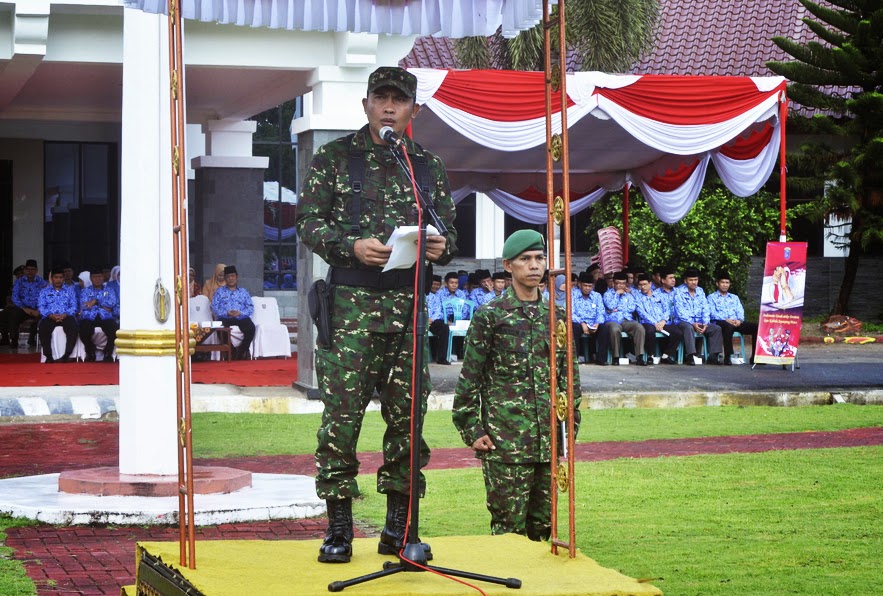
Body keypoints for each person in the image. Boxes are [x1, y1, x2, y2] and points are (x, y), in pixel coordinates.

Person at [294, 66, 458, 564]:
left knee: (409, 422)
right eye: (381, 98)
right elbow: (307, 221)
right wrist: (349, 246)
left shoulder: (425, 165)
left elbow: (448, 231)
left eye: (399, 100)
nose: (390, 107)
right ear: (366, 104)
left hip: (408, 309)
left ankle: (400, 529)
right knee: (340, 422)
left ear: (413, 110)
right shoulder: (335, 158)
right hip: (351, 312)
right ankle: (340, 529)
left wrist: (439, 246)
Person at [453, 229, 580, 541]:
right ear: (508, 266)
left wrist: (570, 425)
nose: (535, 265)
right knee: (508, 531)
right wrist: (472, 429)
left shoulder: (557, 314)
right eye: (526, 259)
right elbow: (470, 377)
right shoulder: (491, 316)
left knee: (543, 529)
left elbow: (569, 375)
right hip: (505, 443)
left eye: (539, 258)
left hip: (548, 440)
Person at [674, 268, 723, 364]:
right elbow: (680, 312)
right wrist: (693, 323)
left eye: (695, 280)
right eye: (691, 280)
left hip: (700, 322)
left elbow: (705, 308)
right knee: (688, 328)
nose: (693, 282)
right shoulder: (679, 292)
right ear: (685, 281)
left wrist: (705, 323)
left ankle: (713, 356)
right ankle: (690, 355)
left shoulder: (700, 291)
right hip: (684, 322)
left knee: (716, 328)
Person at [707, 272, 759, 365]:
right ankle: (728, 356)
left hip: (735, 322)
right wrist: (725, 319)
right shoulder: (711, 297)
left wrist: (739, 320)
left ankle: (755, 357)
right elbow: (711, 313)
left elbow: (740, 310)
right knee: (728, 327)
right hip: (720, 322)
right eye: (722, 282)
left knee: (756, 327)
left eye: (727, 283)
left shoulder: (734, 297)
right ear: (717, 283)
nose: (725, 285)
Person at [596, 271, 646, 365]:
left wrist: (617, 308)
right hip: (612, 320)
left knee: (639, 327)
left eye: (623, 283)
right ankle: (616, 357)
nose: (620, 286)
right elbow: (610, 305)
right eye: (618, 283)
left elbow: (632, 308)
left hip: (626, 319)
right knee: (615, 329)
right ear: (613, 283)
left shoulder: (629, 294)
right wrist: (616, 295)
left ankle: (639, 356)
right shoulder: (607, 294)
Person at [634, 273, 683, 364]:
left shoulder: (659, 295)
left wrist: (663, 321)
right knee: (649, 331)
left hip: (662, 322)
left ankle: (666, 355)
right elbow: (642, 313)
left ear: (650, 284)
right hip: (648, 322)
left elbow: (667, 309)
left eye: (645, 284)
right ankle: (650, 356)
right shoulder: (637, 297)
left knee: (677, 332)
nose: (643, 287)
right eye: (640, 285)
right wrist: (655, 323)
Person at [210, 265, 255, 360]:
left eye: (233, 276)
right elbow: (214, 307)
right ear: (225, 278)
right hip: (226, 318)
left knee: (251, 328)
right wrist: (227, 312)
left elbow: (250, 307)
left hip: (240, 317)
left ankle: (241, 351)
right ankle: (233, 351)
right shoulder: (219, 291)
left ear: (236, 277)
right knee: (219, 328)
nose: (231, 278)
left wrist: (240, 313)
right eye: (228, 276)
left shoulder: (243, 292)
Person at [37, 266, 78, 363]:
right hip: (50, 316)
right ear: (52, 278)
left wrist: (65, 314)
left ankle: (67, 354)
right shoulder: (44, 291)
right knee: (43, 327)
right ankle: (48, 356)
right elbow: (41, 306)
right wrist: (51, 315)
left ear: (63, 278)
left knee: (73, 326)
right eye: (56, 277)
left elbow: (74, 306)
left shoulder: (70, 290)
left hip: (66, 316)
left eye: (60, 277)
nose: (58, 280)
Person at [79, 269, 119, 362]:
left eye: (99, 277)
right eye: (95, 277)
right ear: (91, 278)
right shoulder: (85, 291)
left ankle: (108, 352)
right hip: (89, 316)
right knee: (83, 330)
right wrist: (102, 304)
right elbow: (84, 305)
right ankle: (90, 351)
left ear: (103, 277)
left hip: (105, 316)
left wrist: (95, 301)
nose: (97, 279)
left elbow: (112, 303)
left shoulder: (109, 290)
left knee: (113, 330)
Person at [9, 259, 47, 351]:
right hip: (23, 308)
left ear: (36, 270)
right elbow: (15, 297)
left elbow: (46, 296)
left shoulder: (42, 282)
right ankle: (14, 340)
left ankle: (32, 339)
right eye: (28, 269)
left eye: (33, 269)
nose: (30, 271)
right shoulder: (19, 282)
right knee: (13, 315)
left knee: (44, 316)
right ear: (25, 270)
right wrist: (24, 308)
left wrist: (39, 309)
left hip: (37, 308)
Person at [571, 272, 604, 363]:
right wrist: (582, 323)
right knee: (574, 327)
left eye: (590, 286)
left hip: (593, 323)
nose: (587, 288)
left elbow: (601, 313)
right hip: (579, 323)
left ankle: (601, 358)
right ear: (580, 284)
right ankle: (574, 358)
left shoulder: (597, 296)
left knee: (605, 328)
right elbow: (570, 313)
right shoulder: (572, 294)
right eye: (585, 285)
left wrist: (597, 323)